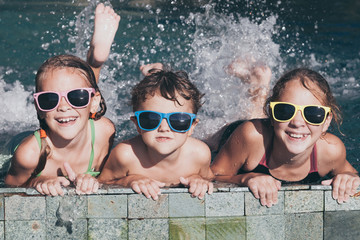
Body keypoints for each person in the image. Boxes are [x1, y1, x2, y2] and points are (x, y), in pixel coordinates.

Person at [5, 3, 120, 196]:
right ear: (39, 107)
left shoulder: (103, 133)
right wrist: (36, 181)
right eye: (49, 100)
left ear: (93, 102)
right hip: (26, 141)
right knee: (78, 92)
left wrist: (93, 180)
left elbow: (113, 176)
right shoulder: (28, 154)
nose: (63, 107)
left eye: (77, 97)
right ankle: (92, 66)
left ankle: (95, 62)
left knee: (83, 88)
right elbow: (9, 187)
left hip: (87, 114)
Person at [211, 68, 360, 207]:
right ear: (272, 114)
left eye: (313, 114)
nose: (297, 123)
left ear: (326, 122)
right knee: (210, 143)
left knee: (265, 120)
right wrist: (244, 179)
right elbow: (212, 175)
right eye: (284, 110)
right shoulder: (250, 137)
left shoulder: (330, 151)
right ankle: (258, 88)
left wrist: (347, 177)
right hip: (236, 137)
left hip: (273, 129)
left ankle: (260, 87)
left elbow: (351, 173)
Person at [98, 68, 214, 200]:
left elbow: (211, 178)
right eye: (150, 119)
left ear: (192, 126)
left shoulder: (199, 155)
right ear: (137, 124)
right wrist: (129, 180)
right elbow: (101, 183)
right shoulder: (125, 156)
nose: (164, 128)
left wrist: (197, 178)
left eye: (178, 120)